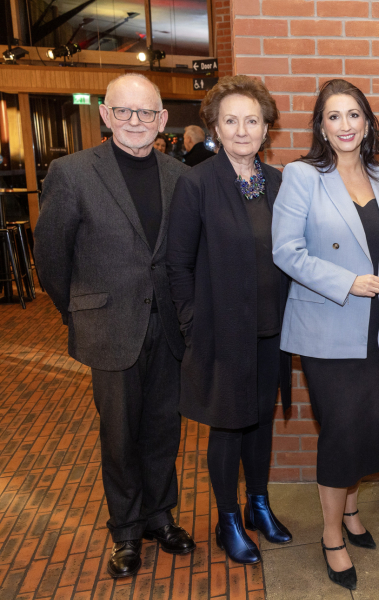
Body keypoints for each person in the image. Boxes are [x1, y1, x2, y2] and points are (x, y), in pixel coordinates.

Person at [33, 73, 195, 579]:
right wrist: (78, 309)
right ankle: (125, 531)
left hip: (167, 326)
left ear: (162, 120)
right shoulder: (73, 172)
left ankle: (159, 516)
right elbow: (52, 256)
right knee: (120, 435)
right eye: (123, 111)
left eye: (146, 112)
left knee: (164, 429)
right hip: (109, 326)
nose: (134, 122)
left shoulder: (179, 176)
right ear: (105, 115)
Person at [271, 78, 379, 591]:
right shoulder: (303, 176)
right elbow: (286, 251)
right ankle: (332, 535)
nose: (346, 125)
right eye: (334, 116)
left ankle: (351, 509)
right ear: (321, 126)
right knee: (342, 428)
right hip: (327, 326)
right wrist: (347, 282)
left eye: (354, 115)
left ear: (368, 123)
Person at [166, 76, 293, 565]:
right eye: (232, 120)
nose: (243, 130)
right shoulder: (195, 183)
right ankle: (228, 520)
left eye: (253, 121)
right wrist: (194, 323)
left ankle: (258, 505)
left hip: (271, 331)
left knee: (260, 422)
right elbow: (177, 264)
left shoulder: (280, 183)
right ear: (215, 126)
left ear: (267, 129)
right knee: (229, 427)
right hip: (221, 333)